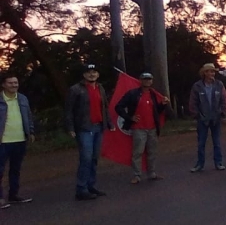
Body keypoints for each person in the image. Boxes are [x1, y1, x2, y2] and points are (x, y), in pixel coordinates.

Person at [66, 63, 113, 200]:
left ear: (98, 74)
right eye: (89, 72)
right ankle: (81, 189)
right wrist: (70, 128)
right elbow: (69, 110)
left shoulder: (100, 88)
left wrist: (109, 123)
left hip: (99, 127)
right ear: (84, 75)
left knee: (94, 158)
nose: (92, 74)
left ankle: (90, 185)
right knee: (86, 158)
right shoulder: (75, 89)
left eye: (94, 72)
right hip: (84, 128)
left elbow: (105, 106)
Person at [116, 72, 170, 184]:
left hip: (152, 128)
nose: (147, 81)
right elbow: (118, 107)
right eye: (145, 79)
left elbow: (156, 111)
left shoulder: (153, 94)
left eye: (149, 79)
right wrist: (129, 117)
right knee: (138, 152)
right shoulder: (132, 94)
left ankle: (152, 173)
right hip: (138, 128)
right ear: (140, 80)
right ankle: (137, 175)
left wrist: (163, 104)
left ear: (152, 81)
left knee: (152, 152)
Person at [0, 73, 34, 208]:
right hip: (3, 142)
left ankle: (13, 195)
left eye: (16, 83)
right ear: (3, 85)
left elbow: (28, 116)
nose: (14, 85)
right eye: (10, 83)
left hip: (20, 139)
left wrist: (31, 131)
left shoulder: (22, 99)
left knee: (15, 169)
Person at [189, 63, 226, 173]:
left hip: (216, 118)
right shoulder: (197, 86)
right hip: (202, 118)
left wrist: (223, 113)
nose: (212, 74)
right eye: (210, 71)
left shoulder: (219, 84)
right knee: (201, 143)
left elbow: (224, 99)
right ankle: (200, 164)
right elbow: (193, 102)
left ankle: (219, 163)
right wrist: (196, 115)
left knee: (217, 142)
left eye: (213, 72)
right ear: (205, 73)